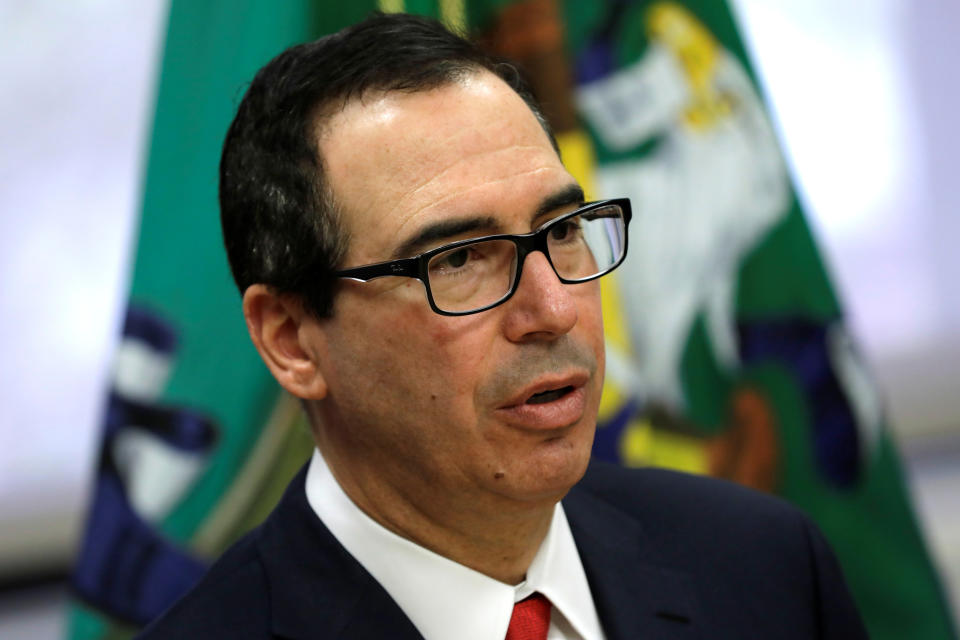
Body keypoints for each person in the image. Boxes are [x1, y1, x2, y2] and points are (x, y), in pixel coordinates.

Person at [139, 12, 867, 640]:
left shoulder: (765, 567)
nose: (554, 310)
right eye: (459, 260)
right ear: (291, 340)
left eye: (563, 229)